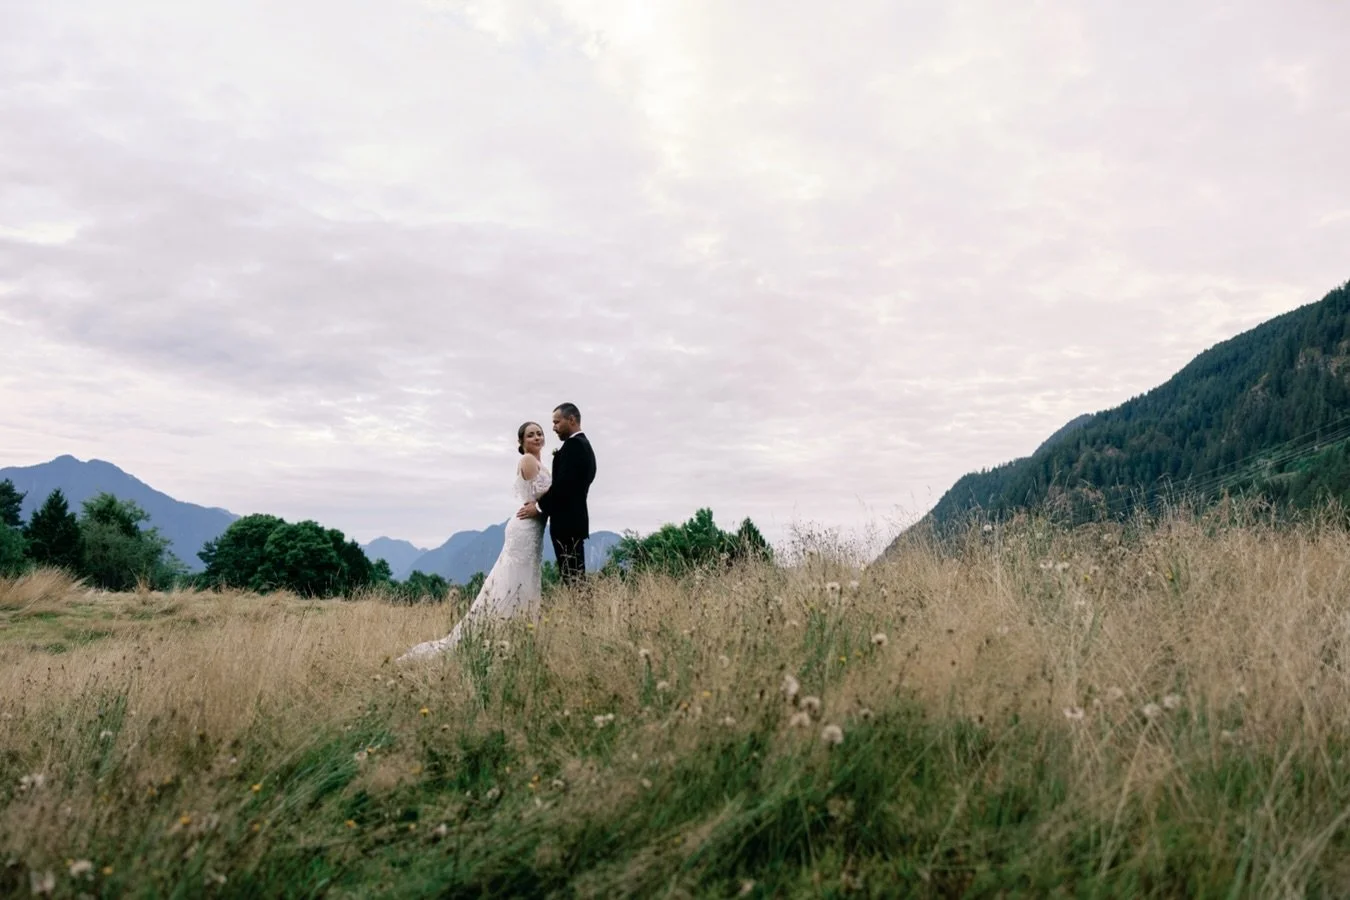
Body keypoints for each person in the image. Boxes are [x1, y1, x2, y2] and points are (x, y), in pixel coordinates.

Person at [398, 421, 552, 661]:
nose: (536, 437)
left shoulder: (540, 462)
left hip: (534, 527)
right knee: (513, 579)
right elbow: (541, 495)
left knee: (525, 578)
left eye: (539, 433)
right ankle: (500, 634)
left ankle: (517, 637)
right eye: (530, 435)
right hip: (525, 527)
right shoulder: (529, 461)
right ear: (521, 443)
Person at [517, 402, 596, 588]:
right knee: (575, 579)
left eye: (557, 422)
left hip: (567, 524)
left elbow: (564, 487)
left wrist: (537, 507)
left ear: (572, 419)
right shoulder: (583, 445)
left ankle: (583, 615)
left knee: (573, 580)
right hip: (573, 521)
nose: (553, 427)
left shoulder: (574, 446)